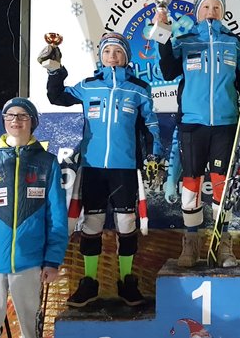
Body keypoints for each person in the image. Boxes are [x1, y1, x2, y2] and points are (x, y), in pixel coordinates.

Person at [44, 32, 163, 307]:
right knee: (93, 223)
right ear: (101, 56)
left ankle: (127, 281)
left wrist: (155, 155)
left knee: (126, 224)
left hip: (124, 168)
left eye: (118, 52)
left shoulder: (138, 88)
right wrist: (54, 71)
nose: (112, 56)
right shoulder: (88, 86)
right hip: (94, 168)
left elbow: (152, 126)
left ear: (126, 57)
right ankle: (89, 282)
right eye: (107, 51)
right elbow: (57, 97)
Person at [155, 0, 240, 267]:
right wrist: (162, 30)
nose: (211, 12)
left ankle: (222, 244)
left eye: (216, 7)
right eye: (206, 7)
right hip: (192, 124)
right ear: (197, 12)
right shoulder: (186, 40)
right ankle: (190, 244)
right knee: (191, 185)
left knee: (220, 187)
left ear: (223, 11)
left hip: (225, 125)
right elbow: (167, 69)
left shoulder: (234, 42)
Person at [0, 97, 67, 338]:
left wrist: (53, 259)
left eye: (22, 115)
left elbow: (57, 216)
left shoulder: (46, 162)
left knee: (30, 330)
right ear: (4, 121)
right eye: (10, 115)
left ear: (33, 122)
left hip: (30, 262)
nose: (15, 120)